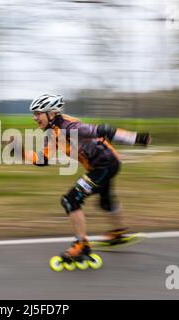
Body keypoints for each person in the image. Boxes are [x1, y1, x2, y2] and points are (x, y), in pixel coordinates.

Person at [22, 93, 151, 261]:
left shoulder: (69, 127)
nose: (35, 118)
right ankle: (118, 233)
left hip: (105, 164)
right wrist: (18, 151)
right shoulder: (52, 133)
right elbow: (42, 160)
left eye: (38, 113)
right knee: (106, 202)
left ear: (51, 113)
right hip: (100, 165)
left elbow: (104, 130)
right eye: (34, 114)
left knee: (71, 200)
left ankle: (81, 245)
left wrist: (137, 139)